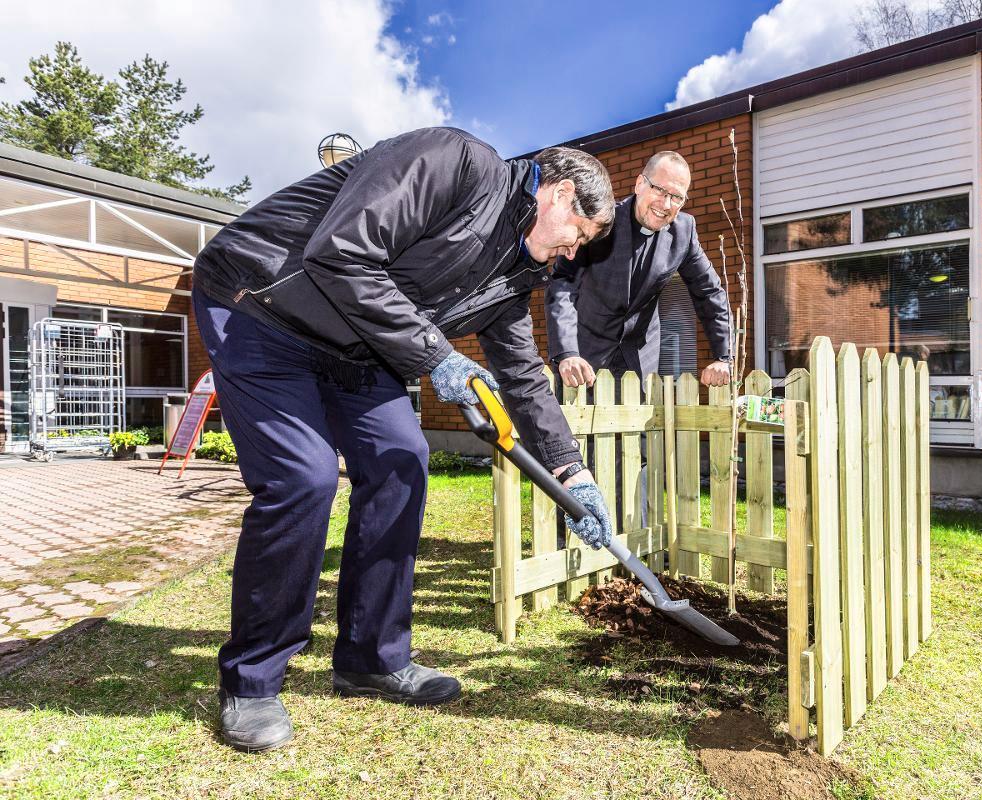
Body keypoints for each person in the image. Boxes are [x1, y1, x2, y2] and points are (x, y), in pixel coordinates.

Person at [191, 127, 616, 753]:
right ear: (557, 192)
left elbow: (525, 378)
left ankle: (370, 656)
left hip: (355, 346)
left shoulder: (512, 274)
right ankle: (252, 680)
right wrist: (436, 354)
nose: (572, 253)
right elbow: (341, 251)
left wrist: (572, 474)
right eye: (577, 235)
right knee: (303, 477)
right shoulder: (458, 164)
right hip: (261, 304)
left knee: (403, 462)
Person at [545, 151, 732, 389]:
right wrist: (567, 352)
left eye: (676, 197)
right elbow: (562, 282)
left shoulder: (684, 232)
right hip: (584, 354)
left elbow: (709, 293)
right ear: (640, 184)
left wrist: (723, 357)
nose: (665, 204)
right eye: (659, 190)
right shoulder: (601, 221)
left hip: (640, 359)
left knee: (641, 427)